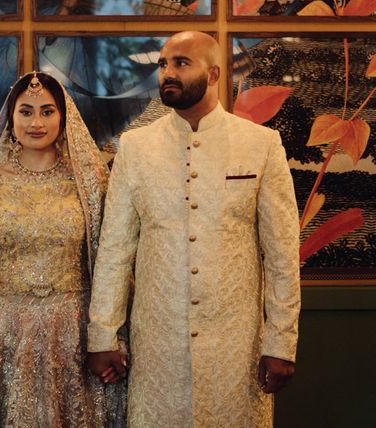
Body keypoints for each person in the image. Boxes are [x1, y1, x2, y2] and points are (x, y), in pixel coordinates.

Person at [87, 31, 300, 427]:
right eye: (163, 64)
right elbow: (115, 251)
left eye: (181, 63)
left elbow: (282, 254)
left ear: (215, 73)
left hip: (237, 348)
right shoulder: (135, 147)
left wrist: (281, 342)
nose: (167, 72)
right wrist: (102, 336)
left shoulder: (261, 145)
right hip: (157, 343)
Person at [0, 71, 126, 427]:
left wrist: (110, 337)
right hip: (6, 334)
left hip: (73, 334)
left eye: (47, 111)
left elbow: (113, 261)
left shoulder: (90, 182)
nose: (37, 122)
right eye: (26, 111)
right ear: (10, 117)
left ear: (63, 117)